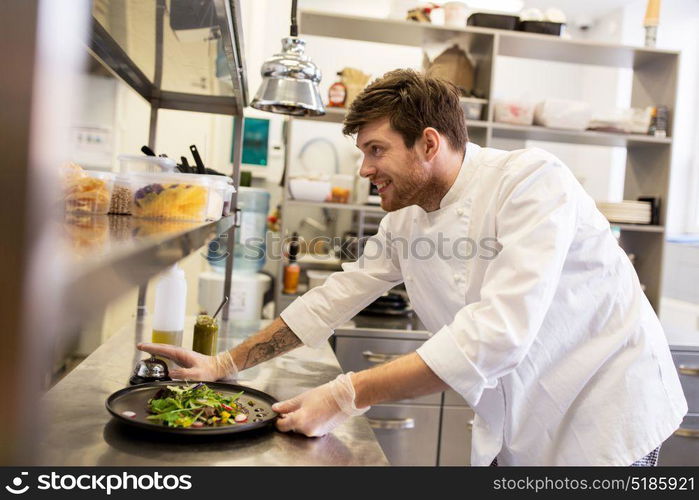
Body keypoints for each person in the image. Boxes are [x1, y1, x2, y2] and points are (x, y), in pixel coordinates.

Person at [139, 69, 687, 466]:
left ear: (428, 143)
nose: (364, 168)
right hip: (519, 419)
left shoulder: (530, 181)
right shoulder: (405, 221)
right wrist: (226, 364)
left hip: (606, 416)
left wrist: (345, 394)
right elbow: (335, 297)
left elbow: (497, 334)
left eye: (376, 151)